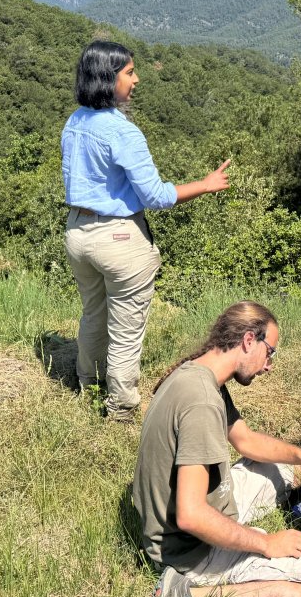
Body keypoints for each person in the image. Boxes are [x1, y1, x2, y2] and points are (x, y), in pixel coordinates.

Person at [132, 301, 301, 597]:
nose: (269, 366)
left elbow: (244, 440)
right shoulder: (201, 403)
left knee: (288, 467)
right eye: (270, 352)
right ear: (249, 340)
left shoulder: (199, 375)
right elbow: (191, 514)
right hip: (190, 548)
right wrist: (267, 544)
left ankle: (293, 472)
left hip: (186, 518)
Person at [62, 40, 231, 422]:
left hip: (78, 232)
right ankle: (120, 409)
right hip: (119, 238)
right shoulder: (122, 132)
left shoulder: (74, 122)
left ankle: (87, 386)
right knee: (126, 326)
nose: (136, 80)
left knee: (93, 314)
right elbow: (155, 196)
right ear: (108, 78)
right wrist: (205, 185)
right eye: (129, 73)